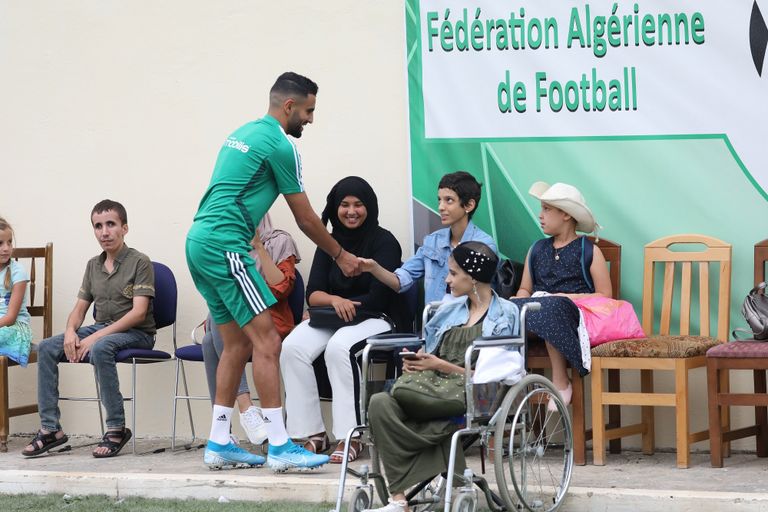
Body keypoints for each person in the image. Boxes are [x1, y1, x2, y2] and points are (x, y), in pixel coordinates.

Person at [186, 71, 360, 471]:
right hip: (227, 245)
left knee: (236, 345)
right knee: (268, 342)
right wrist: (340, 255)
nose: (311, 120)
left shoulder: (243, 132)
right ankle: (280, 446)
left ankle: (218, 441)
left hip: (199, 241)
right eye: (309, 110)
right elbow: (306, 219)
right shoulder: (281, 145)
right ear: (289, 106)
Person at [363, 242, 518, 512]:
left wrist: (442, 366)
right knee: (379, 402)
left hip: (472, 390)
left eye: (453, 273)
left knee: (402, 393)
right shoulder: (447, 311)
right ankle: (399, 501)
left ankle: (434, 467)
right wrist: (418, 362)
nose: (447, 279)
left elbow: (497, 375)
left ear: (472, 277)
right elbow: (430, 352)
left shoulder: (505, 314)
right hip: (431, 386)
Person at [281, 176, 404, 464]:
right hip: (336, 315)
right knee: (292, 347)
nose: (351, 211)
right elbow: (313, 294)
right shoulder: (330, 242)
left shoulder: (384, 241)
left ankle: (352, 436)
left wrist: (343, 304)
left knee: (340, 348)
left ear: (369, 207)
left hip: (377, 318)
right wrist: (335, 301)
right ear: (335, 207)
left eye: (358, 204)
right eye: (344, 205)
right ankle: (311, 433)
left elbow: (379, 298)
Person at [22, 200, 156, 458]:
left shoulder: (140, 262)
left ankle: (116, 427)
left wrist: (93, 337)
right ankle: (51, 429)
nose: (104, 232)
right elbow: (80, 309)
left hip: (137, 334)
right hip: (102, 329)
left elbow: (138, 313)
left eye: (110, 224)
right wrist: (71, 331)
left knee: (101, 347)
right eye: (98, 226)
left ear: (124, 228)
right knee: (49, 346)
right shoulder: (93, 265)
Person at [201, 213, 300, 445]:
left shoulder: (280, 241)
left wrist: (258, 246)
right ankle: (230, 427)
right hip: (238, 321)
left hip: (270, 319)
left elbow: (279, 288)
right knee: (209, 338)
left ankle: (240, 414)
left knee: (216, 328)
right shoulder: (228, 246)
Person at [514, 181, 612, 410]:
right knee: (508, 310)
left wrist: (564, 297)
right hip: (536, 312)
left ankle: (561, 381)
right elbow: (525, 289)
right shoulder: (536, 249)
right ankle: (509, 381)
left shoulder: (588, 251)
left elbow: (605, 295)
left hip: (572, 315)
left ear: (566, 215)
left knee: (552, 308)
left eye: (547, 209)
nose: (540, 215)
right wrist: (518, 298)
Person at [361, 171, 496, 305]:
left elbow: (483, 297)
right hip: (434, 323)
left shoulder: (484, 245)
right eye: (439, 200)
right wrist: (374, 267)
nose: (441, 207)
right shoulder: (432, 242)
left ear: (469, 205)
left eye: (449, 200)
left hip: (469, 323)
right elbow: (401, 282)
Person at [0, 218, 33, 366]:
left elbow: (11, 318)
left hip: (14, 328)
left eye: (9, 242)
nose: (6, 248)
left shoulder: (18, 272)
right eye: (0, 243)